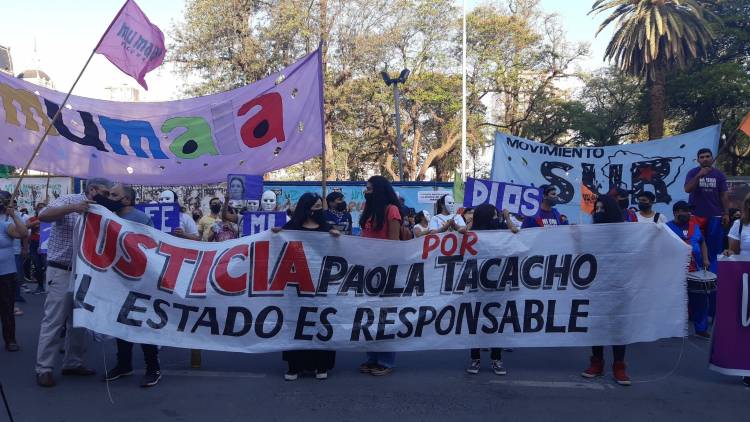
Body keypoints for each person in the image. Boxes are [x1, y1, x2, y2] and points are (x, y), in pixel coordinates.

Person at [35, 177, 113, 387]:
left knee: (79, 321)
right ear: (92, 190)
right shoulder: (70, 200)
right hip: (62, 270)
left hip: (85, 273)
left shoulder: (103, 211)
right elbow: (43, 215)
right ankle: (44, 368)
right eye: (104, 193)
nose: (107, 197)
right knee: (54, 320)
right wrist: (74, 208)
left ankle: (73, 362)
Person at [273, 193, 339, 380]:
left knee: (320, 323)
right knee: (296, 323)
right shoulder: (291, 228)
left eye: (321, 206)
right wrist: (276, 234)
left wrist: (337, 237)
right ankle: (295, 366)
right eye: (316, 206)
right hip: (297, 286)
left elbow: (338, 252)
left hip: (321, 285)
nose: (319, 210)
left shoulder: (327, 228)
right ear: (306, 208)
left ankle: (321, 365)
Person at [103, 184, 162, 387]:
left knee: (142, 322)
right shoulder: (107, 216)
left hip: (139, 278)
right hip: (117, 278)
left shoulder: (141, 219)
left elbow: (152, 246)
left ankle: (152, 367)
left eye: (113, 195)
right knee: (121, 323)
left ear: (127, 200)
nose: (109, 197)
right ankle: (124, 364)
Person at [582, 194, 631, 386]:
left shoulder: (625, 232)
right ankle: (597, 362)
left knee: (618, 325)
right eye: (597, 208)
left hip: (619, 283)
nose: (599, 212)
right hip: (596, 283)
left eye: (603, 208)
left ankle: (619, 365)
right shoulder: (592, 231)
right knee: (597, 324)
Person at [465, 203, 516, 376]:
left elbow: (515, 231)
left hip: (497, 281)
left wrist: (507, 218)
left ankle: (496, 358)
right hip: (477, 282)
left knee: (497, 321)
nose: (498, 217)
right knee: (476, 320)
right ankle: (476, 358)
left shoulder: (501, 229)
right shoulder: (474, 232)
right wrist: (471, 222)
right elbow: (461, 232)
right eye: (495, 215)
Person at [358, 176, 401, 376]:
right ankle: (371, 357)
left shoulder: (391, 210)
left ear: (379, 190)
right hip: (367, 271)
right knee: (369, 317)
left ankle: (386, 360)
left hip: (385, 271)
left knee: (384, 318)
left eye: (369, 188)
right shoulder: (368, 209)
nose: (366, 191)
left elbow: (393, 242)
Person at [666, 201, 711, 339]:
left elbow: (702, 242)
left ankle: (701, 329)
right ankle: (674, 329)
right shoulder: (666, 227)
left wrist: (705, 258)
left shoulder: (695, 226)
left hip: (695, 271)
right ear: (676, 212)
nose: (687, 213)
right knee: (675, 301)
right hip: (674, 272)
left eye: (688, 211)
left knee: (701, 300)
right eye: (684, 210)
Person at [684, 148, 729, 273]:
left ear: (712, 158)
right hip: (696, 215)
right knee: (696, 245)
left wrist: (726, 213)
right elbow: (687, 189)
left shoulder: (719, 174)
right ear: (698, 160)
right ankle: (697, 272)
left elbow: (724, 195)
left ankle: (714, 275)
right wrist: (699, 175)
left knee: (715, 248)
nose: (705, 159)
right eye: (702, 157)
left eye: (707, 156)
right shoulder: (692, 172)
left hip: (715, 216)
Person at [722, 192, 750, 387]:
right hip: (745, 280)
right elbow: (734, 250)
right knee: (745, 326)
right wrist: (729, 252)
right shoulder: (739, 225)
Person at [0, 191, 28, 352]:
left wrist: (14, 216)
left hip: (6, 274)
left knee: (7, 308)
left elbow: (23, 233)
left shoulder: (6, 223)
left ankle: (10, 340)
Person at [26, 202, 47, 294]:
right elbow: (27, 226)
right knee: (37, 266)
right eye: (39, 208)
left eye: (43, 208)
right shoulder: (32, 219)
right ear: (36, 209)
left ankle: (49, 286)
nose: (41, 209)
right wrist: (39, 221)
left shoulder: (49, 219)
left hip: (45, 244)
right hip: (34, 244)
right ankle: (40, 286)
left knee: (46, 266)